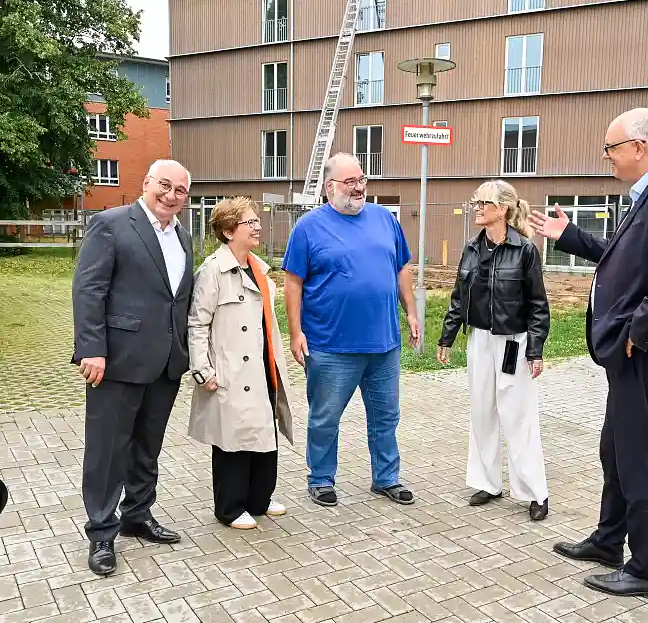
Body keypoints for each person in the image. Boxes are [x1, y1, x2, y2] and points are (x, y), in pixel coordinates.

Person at [529, 108, 648, 598]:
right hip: (637, 352)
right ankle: (609, 541)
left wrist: (639, 330)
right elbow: (627, 257)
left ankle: (645, 571)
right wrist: (568, 236)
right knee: (616, 448)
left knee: (638, 458)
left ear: (637, 147)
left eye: (610, 147)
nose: (606, 157)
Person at [71, 159, 194, 576]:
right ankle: (102, 533)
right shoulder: (111, 223)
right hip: (117, 360)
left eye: (180, 190)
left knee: (147, 445)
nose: (171, 195)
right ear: (146, 182)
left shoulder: (182, 235)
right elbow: (89, 288)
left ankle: (137, 515)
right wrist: (91, 349)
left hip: (165, 361)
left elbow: (177, 297)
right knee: (108, 450)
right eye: (165, 185)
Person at [282, 152, 420, 508]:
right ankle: (321, 479)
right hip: (330, 345)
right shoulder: (309, 227)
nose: (359, 187)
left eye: (362, 180)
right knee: (325, 417)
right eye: (351, 182)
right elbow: (293, 282)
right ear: (329, 187)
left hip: (383, 343)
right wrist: (295, 332)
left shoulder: (383, 219)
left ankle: (386, 478)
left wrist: (411, 312)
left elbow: (401, 266)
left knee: (386, 415)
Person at [437, 180, 551, 521]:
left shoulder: (525, 250)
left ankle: (534, 492)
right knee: (482, 412)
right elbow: (460, 297)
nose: (477, 207)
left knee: (518, 416)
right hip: (480, 340)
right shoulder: (472, 248)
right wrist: (447, 336)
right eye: (475, 202)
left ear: (501, 209)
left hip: (513, 341)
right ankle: (487, 482)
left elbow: (537, 304)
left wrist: (536, 349)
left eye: (483, 203)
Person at [187, 196, 294, 530]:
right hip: (231, 369)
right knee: (233, 441)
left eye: (257, 221)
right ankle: (230, 508)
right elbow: (197, 324)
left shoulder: (259, 268)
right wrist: (202, 370)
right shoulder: (213, 271)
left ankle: (259, 500)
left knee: (264, 434)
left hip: (263, 365)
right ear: (229, 230)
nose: (258, 226)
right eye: (251, 222)